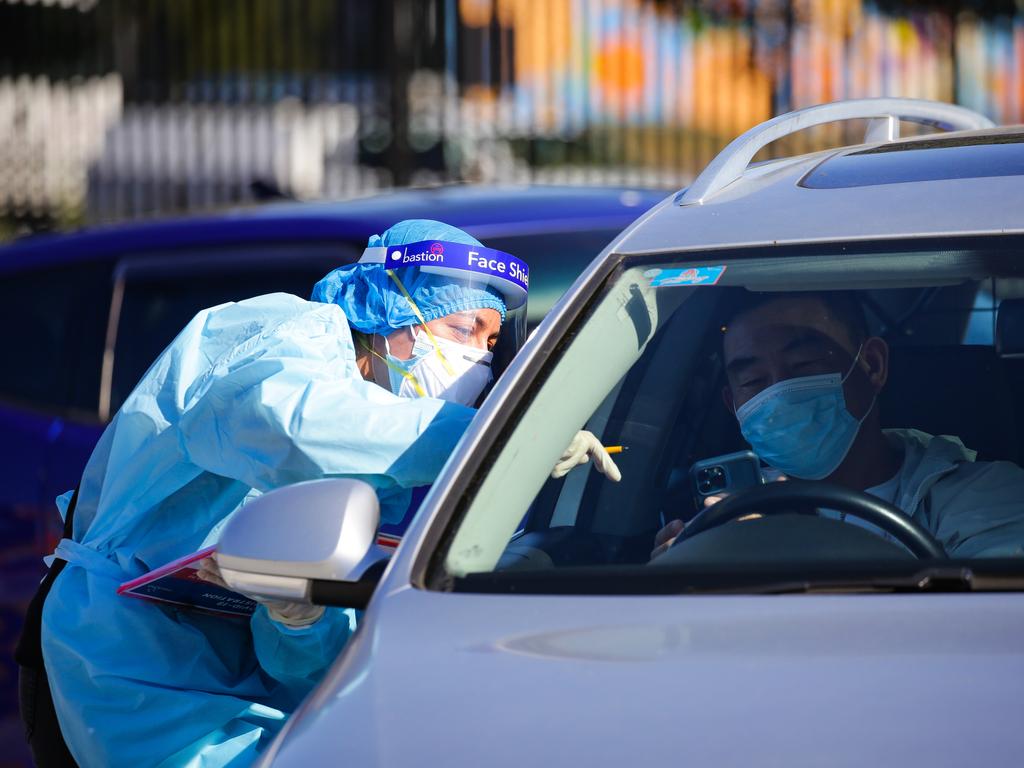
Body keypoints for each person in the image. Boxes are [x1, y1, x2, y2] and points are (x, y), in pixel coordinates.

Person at [24, 219, 619, 768]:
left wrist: (298, 619)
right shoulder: (288, 334)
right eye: (462, 329)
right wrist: (504, 437)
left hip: (230, 676)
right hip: (121, 649)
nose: (479, 360)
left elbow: (301, 666)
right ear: (387, 305)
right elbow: (290, 425)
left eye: (490, 344)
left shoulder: (378, 461)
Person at [651, 290, 1024, 560]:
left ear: (872, 365)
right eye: (753, 382)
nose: (779, 393)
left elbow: (992, 626)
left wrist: (774, 552)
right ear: (733, 405)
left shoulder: (981, 494)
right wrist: (683, 570)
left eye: (803, 365)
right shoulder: (725, 518)